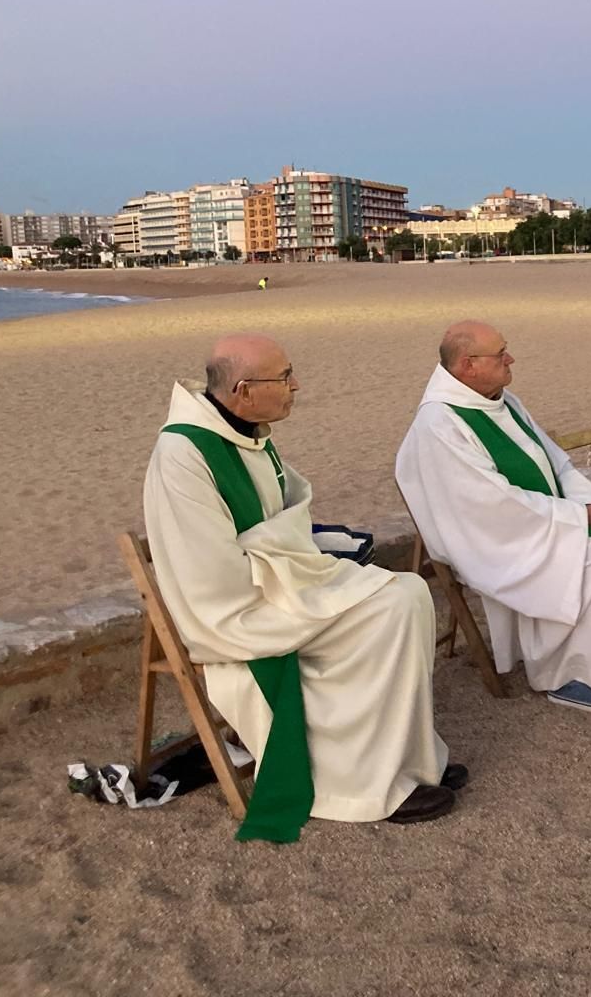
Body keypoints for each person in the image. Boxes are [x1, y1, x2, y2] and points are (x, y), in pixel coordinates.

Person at [142, 334, 458, 837]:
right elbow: (212, 571)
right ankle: (362, 785)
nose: (296, 386)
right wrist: (298, 563)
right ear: (244, 389)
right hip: (237, 612)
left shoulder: (246, 431)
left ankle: (409, 764)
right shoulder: (184, 453)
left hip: (280, 582)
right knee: (395, 605)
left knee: (409, 596)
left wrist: (300, 555)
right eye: (285, 377)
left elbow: (287, 512)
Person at [396, 322, 591, 714]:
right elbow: (490, 504)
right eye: (501, 353)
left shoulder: (501, 400)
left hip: (536, 518)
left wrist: (590, 506)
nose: (511, 358)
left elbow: (558, 466)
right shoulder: (439, 425)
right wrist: (573, 516)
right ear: (468, 365)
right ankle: (584, 677)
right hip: (492, 540)